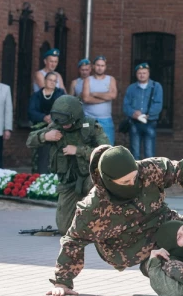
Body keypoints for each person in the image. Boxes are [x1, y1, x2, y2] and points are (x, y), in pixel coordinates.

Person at [45, 145, 183, 296]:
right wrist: (62, 281)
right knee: (175, 271)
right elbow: (73, 240)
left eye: (135, 176)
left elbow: (180, 170)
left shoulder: (148, 169)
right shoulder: (93, 208)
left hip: (167, 225)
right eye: (125, 181)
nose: (133, 182)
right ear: (108, 181)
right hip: (136, 250)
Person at [27, 96, 111, 233]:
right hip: (68, 182)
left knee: (99, 188)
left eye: (67, 122)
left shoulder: (91, 126)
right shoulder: (56, 126)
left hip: (89, 178)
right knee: (64, 228)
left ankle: (102, 221)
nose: (64, 125)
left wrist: (79, 151)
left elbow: (107, 152)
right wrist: (45, 136)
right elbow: (30, 141)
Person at [123, 63, 163, 159]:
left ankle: (149, 173)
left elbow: (158, 104)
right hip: (135, 123)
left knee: (149, 153)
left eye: (144, 73)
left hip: (150, 122)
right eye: (139, 73)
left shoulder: (156, 86)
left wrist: (148, 114)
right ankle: (136, 173)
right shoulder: (131, 88)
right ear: (136, 74)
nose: (142, 75)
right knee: (134, 153)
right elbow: (125, 105)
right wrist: (134, 114)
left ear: (148, 73)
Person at [28, 72, 66, 173]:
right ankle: (38, 178)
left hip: (56, 130)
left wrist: (53, 117)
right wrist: (44, 117)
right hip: (40, 130)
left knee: (54, 157)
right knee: (39, 158)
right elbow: (31, 111)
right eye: (50, 80)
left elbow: (65, 108)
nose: (52, 82)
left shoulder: (60, 93)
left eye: (55, 81)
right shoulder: (36, 96)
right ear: (45, 81)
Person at [81, 56, 117, 145]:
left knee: (108, 147)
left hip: (106, 119)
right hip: (89, 119)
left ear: (105, 67)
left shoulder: (111, 79)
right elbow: (85, 98)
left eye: (102, 65)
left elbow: (113, 95)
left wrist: (95, 94)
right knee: (88, 145)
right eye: (98, 65)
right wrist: (105, 98)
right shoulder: (87, 80)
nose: (100, 68)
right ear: (93, 66)